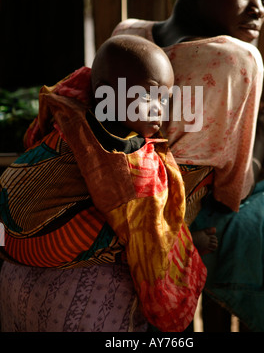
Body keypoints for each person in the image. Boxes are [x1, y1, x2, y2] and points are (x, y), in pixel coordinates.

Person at [112, 0, 264, 331]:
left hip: (108, 203)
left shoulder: (127, 35)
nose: (259, 9)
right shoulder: (237, 59)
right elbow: (232, 192)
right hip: (171, 220)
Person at [0, 34, 207, 332]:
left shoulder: (70, 115)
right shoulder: (128, 159)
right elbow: (150, 236)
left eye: (166, 98)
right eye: (150, 97)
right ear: (108, 94)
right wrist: (187, 245)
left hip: (13, 261)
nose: (161, 109)